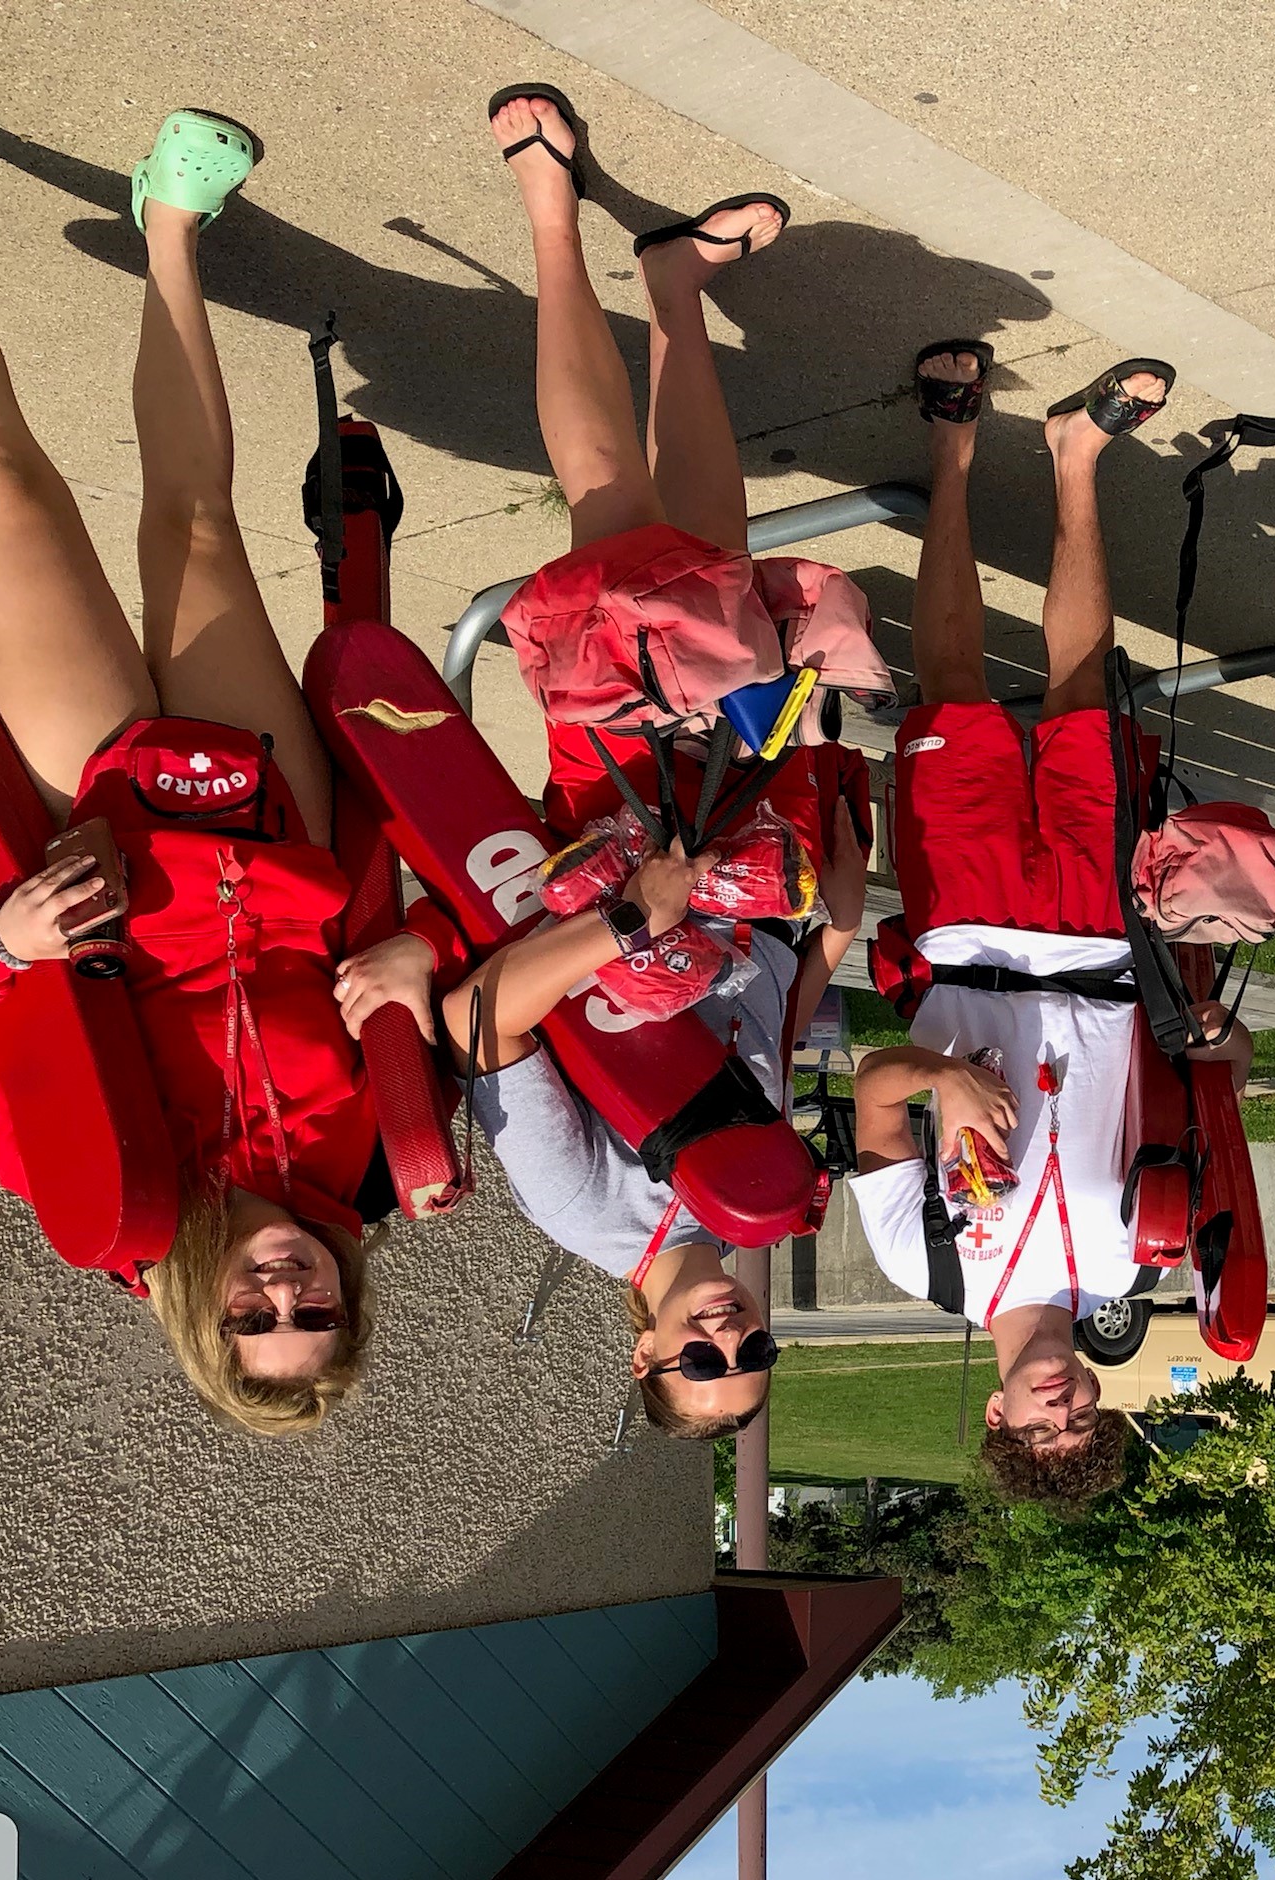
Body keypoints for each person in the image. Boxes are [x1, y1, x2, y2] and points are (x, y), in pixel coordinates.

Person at [0, 35, 394, 1436]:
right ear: (349, 1293)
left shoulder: (105, 1200)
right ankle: (168, 232)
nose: (285, 1290)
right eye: (315, 1313)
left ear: (205, 1321)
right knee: (200, 524)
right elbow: (436, 983)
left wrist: (1, 947)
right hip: (275, 833)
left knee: (4, 488)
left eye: (254, 1323)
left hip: (80, 825)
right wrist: (405, 954)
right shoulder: (383, 1165)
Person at [330, 84, 868, 1443]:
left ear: (643, 1364)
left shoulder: (590, 1213)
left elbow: (490, 1023)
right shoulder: (767, 1190)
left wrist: (634, 916)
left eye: (702, 1365)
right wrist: (829, 937)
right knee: (714, 548)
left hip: (618, 822)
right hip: (747, 825)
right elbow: (767, 1012)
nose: (727, 1333)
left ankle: (548, 211)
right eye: (753, 1354)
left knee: (612, 512)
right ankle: (674, 287)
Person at [848, 340, 1246, 1506]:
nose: (1063, 1408)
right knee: (1083, 701)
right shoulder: (1141, 1253)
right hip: (1101, 945)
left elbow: (872, 1086)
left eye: (1041, 1428)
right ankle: (1076, 455)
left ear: (997, 1411)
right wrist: (1213, 1025)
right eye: (1084, 1424)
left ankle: (955, 443)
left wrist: (944, 1084)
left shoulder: (924, 1262)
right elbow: (1206, 1089)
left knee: (954, 686)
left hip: (966, 937)